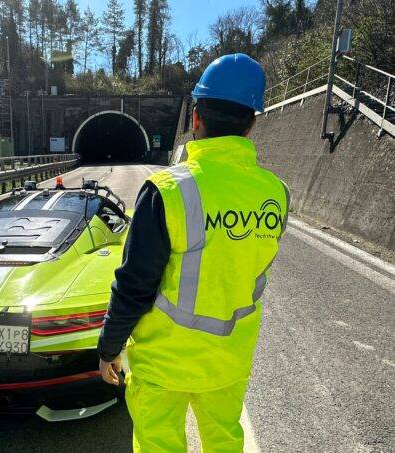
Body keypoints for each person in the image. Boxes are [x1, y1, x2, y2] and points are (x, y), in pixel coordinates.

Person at [97, 53, 290, 452]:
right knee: (224, 443)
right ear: (251, 125)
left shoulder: (168, 190)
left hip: (163, 363)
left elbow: (135, 284)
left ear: (196, 117)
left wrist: (109, 347)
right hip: (228, 359)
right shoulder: (275, 192)